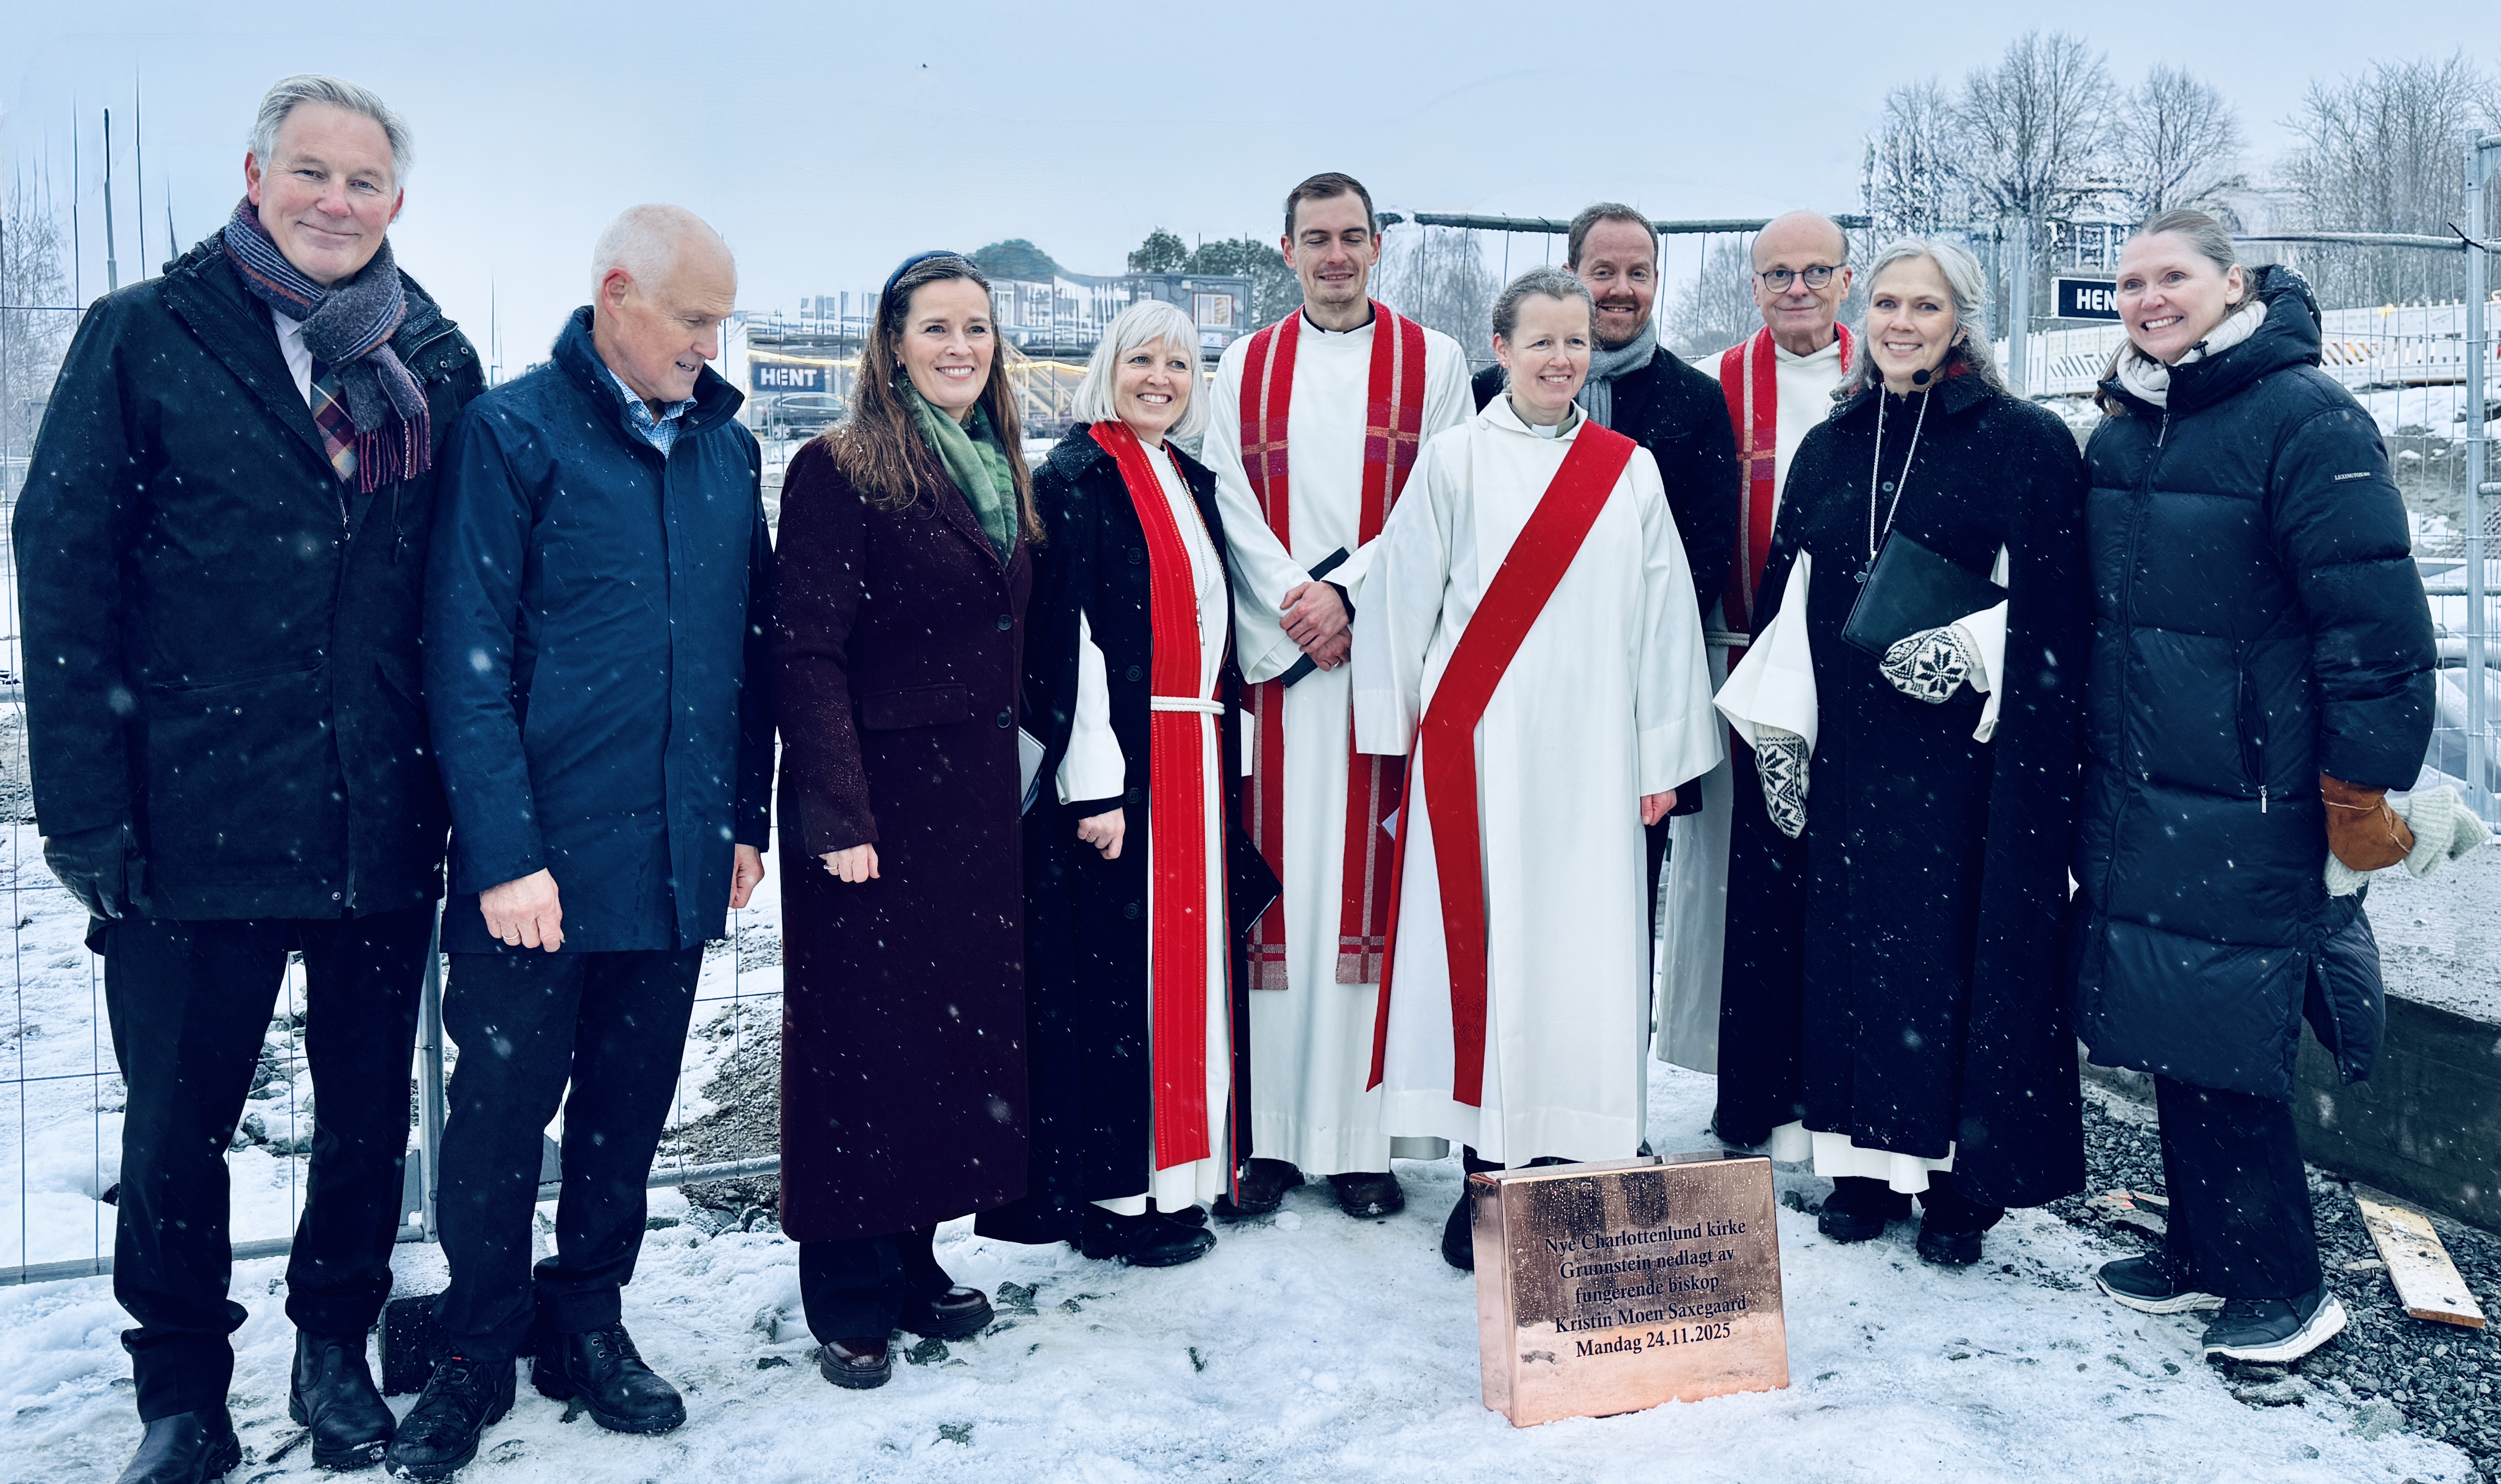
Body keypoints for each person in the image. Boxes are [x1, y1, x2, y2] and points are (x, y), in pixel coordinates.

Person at [13, 76, 483, 1484]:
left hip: (379, 813)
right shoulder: (145, 338)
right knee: (176, 1126)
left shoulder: (437, 361)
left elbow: (461, 594)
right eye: (310, 173)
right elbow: (66, 575)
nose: (334, 201)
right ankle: (181, 1388)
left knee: (361, 1115)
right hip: (191, 822)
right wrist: (85, 813)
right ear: (256, 174)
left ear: (396, 203)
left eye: (362, 182)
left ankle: (332, 1349)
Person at [390, 206, 772, 1477]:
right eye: (694, 318)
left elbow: (747, 660)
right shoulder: (513, 432)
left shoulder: (728, 454)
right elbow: (467, 656)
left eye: (722, 318)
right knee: (500, 1118)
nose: (712, 345)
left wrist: (745, 821)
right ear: (616, 295)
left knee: (627, 1114)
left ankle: (589, 1321)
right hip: (537, 871)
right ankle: (473, 1348)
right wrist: (500, 854)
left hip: (674, 854)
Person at [2069, 212, 2437, 1362]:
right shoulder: (2124, 428)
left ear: (2232, 284)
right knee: (2172, 1011)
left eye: (2169, 276)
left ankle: (2282, 1283)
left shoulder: (2304, 418)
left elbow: (2371, 622)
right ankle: (2199, 1252)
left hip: (2256, 791)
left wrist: (2358, 788)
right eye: (2128, 282)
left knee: (2231, 1026)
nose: (2145, 298)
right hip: (2145, 777)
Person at [1712, 238, 2089, 1268]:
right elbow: (1787, 600)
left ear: (1960, 320)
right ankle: (1860, 1167)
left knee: (1950, 962)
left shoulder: (2024, 441)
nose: (1899, 321)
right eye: (1884, 301)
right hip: (1846, 752)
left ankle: (1960, 1183)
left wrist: (1969, 646)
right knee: (1843, 955)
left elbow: (2059, 609)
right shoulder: (1831, 446)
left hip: (1961, 763)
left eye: (1924, 305)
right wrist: (1781, 731)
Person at [1353, 268, 1720, 1270]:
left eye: (1575, 342)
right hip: (1476, 749)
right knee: (1487, 956)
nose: (1562, 358)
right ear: (1501, 347)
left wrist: (1662, 761)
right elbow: (1400, 600)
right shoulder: (1453, 462)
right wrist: (1396, 735)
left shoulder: (1627, 469)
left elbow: (1661, 623)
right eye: (1541, 340)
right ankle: (1489, 1177)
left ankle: (1588, 1161)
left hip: (1596, 750)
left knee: (1587, 959)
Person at [769, 251, 1036, 1390]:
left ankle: (916, 1255)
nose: (960, 347)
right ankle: (846, 1287)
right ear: (889, 343)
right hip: (869, 798)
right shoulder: (836, 468)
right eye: (936, 327)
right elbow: (806, 647)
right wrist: (837, 809)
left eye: (976, 327)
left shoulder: (998, 466)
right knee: (856, 1044)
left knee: (941, 1037)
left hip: (969, 800)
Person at [1199, 172, 1473, 1223]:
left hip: (1377, 664)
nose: (1335, 255)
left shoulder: (1434, 361)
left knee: (1370, 902)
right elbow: (1223, 490)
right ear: (1284, 250)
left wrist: (1350, 598)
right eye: (1314, 239)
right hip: (1280, 669)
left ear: (1376, 245)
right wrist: (1289, 598)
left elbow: (1440, 497)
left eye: (1352, 236)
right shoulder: (1245, 365)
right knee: (1283, 901)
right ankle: (1269, 1139)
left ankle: (1361, 1145)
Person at [980, 299, 1275, 1268]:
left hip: (1192, 750)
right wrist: (1094, 784)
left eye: (1181, 365)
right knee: (1117, 983)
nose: (1161, 377)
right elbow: (1071, 641)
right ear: (1108, 365)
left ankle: (1179, 1173)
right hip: (1125, 765)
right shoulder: (1075, 477)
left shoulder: (1187, 475)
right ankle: (1116, 1192)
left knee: (1181, 980)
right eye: (1142, 358)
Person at [1467, 205, 1740, 1046]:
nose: (1620, 291)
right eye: (1603, 271)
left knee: (1620, 908)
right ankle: (1511, 1103)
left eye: (1638, 273)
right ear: (1571, 273)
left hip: (1630, 701)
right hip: (1511, 694)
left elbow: (1698, 556)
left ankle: (1606, 1102)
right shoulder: (1485, 398)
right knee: (1510, 901)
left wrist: (1606, 660)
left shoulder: (1695, 402)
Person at [1658, 211, 1857, 1076]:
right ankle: (1730, 1066)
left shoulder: (1888, 372)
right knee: (1728, 876)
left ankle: (1832, 1067)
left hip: (1856, 675)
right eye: (1777, 274)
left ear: (1847, 279)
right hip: (1733, 653)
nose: (1797, 289)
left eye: (1816, 271)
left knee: (1841, 876)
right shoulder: (1714, 386)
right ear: (1752, 287)